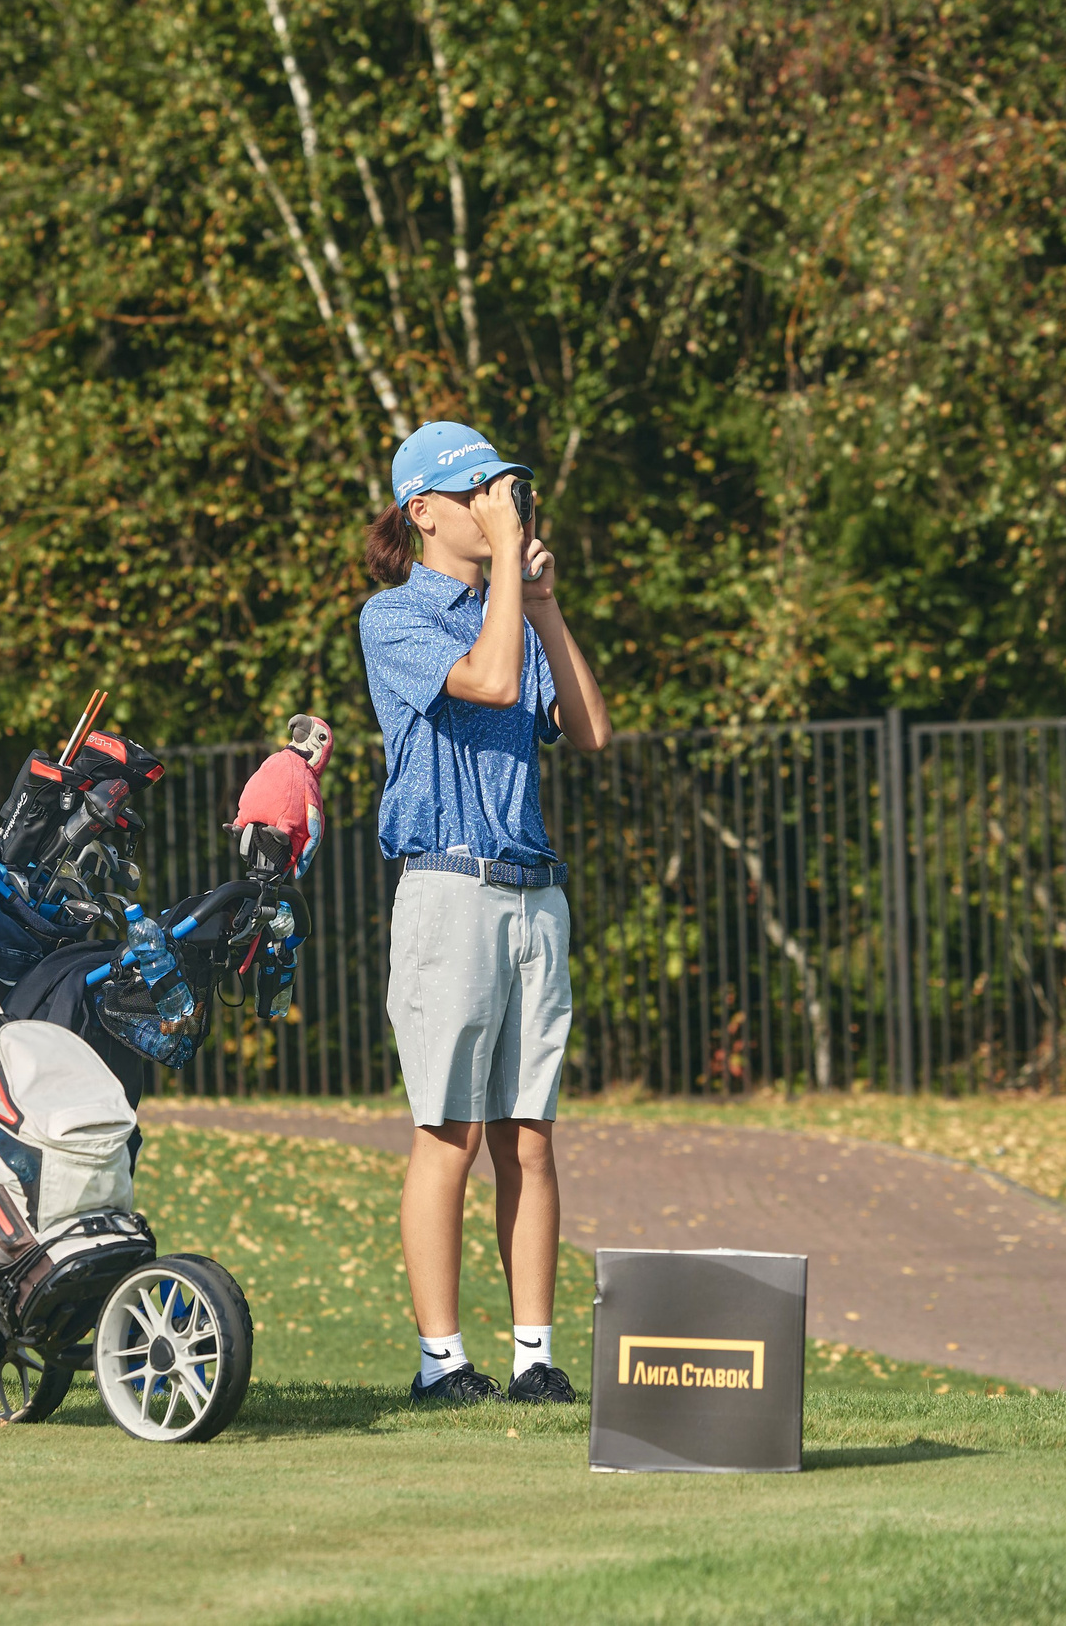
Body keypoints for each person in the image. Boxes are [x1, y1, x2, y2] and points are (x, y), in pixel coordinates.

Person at [358, 419, 612, 1407]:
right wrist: (509, 566)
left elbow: (588, 730)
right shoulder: (395, 618)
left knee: (530, 1136)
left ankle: (534, 1358)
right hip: (448, 888)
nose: (494, 508)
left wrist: (542, 603)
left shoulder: (511, 605)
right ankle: (440, 1362)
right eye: (473, 496)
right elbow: (491, 682)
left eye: (500, 494)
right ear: (423, 511)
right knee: (450, 1133)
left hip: (530, 893)